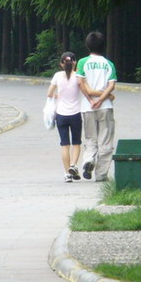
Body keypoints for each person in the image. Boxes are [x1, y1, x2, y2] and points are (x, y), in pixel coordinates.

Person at [76, 31, 116, 181]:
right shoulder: (108, 64)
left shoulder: (82, 62)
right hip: (105, 106)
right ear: (103, 46)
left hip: (87, 107)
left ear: (87, 45)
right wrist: (101, 99)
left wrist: (90, 99)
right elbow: (111, 86)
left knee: (90, 138)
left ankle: (88, 161)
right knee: (105, 140)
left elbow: (80, 83)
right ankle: (101, 175)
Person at [47, 52, 83, 183]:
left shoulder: (57, 76)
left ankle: (67, 173)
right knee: (76, 143)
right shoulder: (78, 76)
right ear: (75, 62)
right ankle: (73, 165)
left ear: (61, 63)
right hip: (75, 114)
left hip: (61, 115)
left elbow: (49, 93)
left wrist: (59, 97)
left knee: (65, 145)